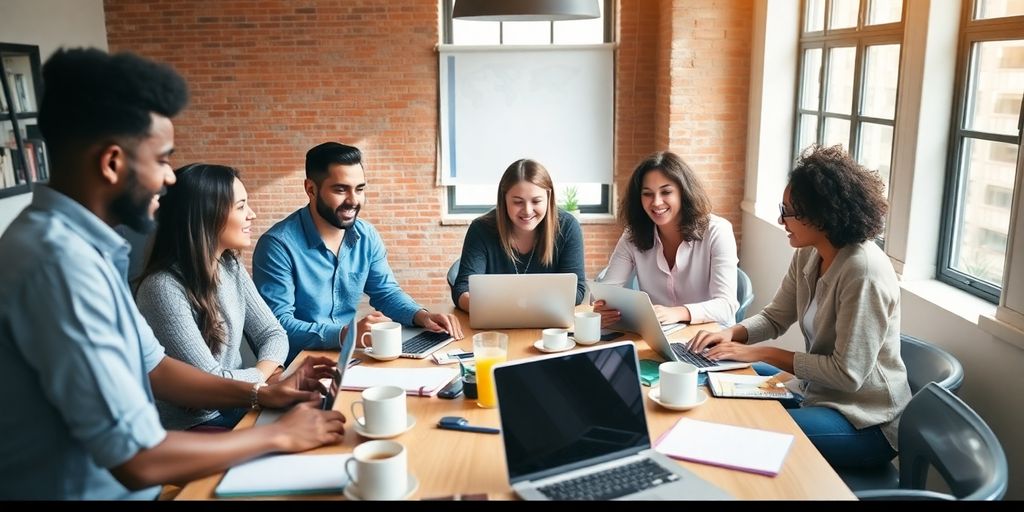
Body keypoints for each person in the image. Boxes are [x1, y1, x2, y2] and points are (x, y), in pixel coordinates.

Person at [0, 48, 345, 500]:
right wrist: (277, 434)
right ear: (112, 163)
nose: (169, 179)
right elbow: (137, 458)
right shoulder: (58, 264)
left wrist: (263, 394)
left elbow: (158, 370)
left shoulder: (85, 247)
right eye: (162, 160)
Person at [688, 145, 912, 469]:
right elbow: (776, 317)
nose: (781, 219)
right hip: (817, 394)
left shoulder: (863, 272)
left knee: (755, 430)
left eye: (788, 210)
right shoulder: (809, 252)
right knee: (712, 376)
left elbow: (847, 374)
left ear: (822, 215)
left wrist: (762, 353)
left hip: (864, 421)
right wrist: (730, 334)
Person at [253, 142, 464, 364]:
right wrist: (345, 334)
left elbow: (386, 293)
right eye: (340, 189)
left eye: (360, 189)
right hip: (301, 365)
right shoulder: (277, 246)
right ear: (311, 189)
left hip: (352, 356)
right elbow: (278, 325)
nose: (354, 200)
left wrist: (422, 316)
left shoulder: (366, 235)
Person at [136, 164, 290, 431]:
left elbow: (273, 332)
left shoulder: (230, 266)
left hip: (240, 404)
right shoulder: (162, 288)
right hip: (193, 426)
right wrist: (263, 380)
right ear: (207, 216)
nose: (252, 214)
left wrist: (257, 382)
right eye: (241, 206)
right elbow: (209, 383)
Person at [595, 151, 738, 327]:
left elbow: (726, 305)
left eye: (666, 192)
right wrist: (602, 308)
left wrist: (678, 313)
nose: (656, 202)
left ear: (683, 192)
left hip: (712, 336)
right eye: (647, 194)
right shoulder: (633, 234)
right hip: (661, 336)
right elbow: (608, 291)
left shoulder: (717, 231)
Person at [451, 159, 587, 311]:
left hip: (548, 324)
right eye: (517, 202)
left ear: (549, 198)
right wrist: (487, 308)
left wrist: (524, 306)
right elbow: (462, 289)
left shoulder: (567, 227)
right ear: (504, 199)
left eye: (536, 201)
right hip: (496, 323)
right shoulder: (481, 229)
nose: (528, 210)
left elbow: (577, 290)